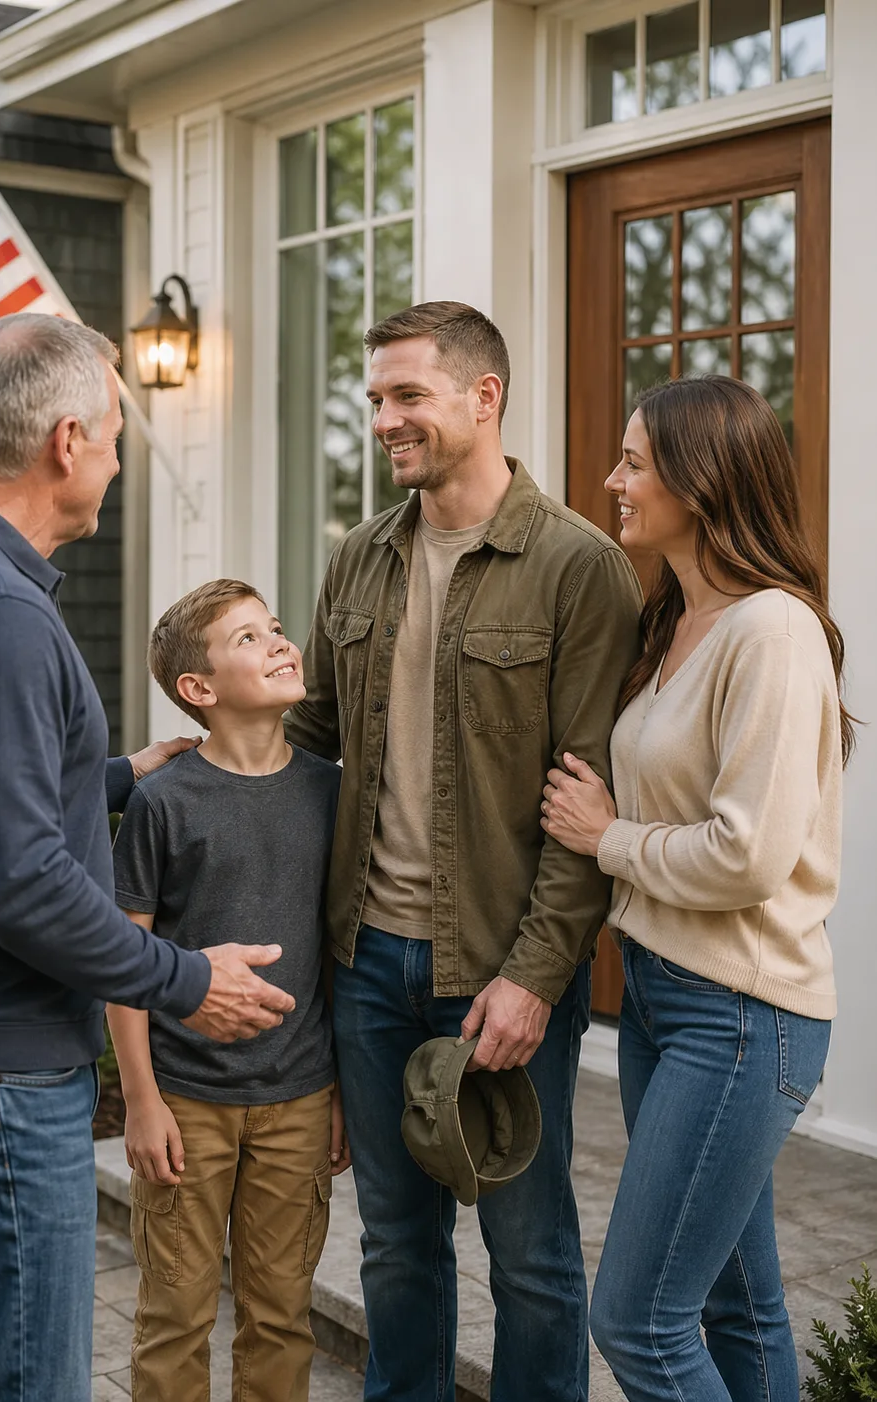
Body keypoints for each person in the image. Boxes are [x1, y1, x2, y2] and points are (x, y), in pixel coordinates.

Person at [0, 314, 295, 1402]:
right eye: (120, 435)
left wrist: (114, 777)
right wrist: (185, 981)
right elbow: (15, 881)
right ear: (68, 441)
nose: (124, 460)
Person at [286, 301, 642, 1402]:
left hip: (498, 973)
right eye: (377, 397)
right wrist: (187, 771)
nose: (384, 417)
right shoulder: (359, 559)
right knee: (396, 1245)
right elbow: (306, 746)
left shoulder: (580, 568)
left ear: (484, 398)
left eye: (408, 396)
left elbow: (591, 802)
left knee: (531, 1259)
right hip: (367, 966)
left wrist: (537, 979)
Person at [542, 375, 850, 1402]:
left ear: (701, 479)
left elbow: (750, 855)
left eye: (634, 462)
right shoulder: (674, 619)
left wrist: (608, 835)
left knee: (636, 1320)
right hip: (663, 1001)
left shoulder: (773, 631)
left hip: (741, 1013)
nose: (612, 479)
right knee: (737, 1307)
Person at [108, 578, 346, 1402]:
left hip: (299, 1098)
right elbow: (123, 967)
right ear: (198, 691)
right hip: (187, 1103)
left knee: (281, 1317)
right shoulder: (162, 802)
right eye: (248, 638)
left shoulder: (330, 790)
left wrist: (338, 1090)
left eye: (275, 629)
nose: (280, 643)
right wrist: (140, 1101)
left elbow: (335, 958)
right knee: (175, 1319)